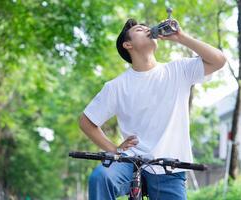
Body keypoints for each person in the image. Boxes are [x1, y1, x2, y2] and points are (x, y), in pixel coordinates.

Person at [79, 18, 226, 200]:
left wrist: (180, 37)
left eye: (147, 28)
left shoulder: (179, 70)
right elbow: (86, 121)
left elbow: (218, 60)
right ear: (128, 45)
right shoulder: (116, 86)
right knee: (100, 177)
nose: (147, 29)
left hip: (170, 167)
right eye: (140, 29)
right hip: (129, 162)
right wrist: (114, 150)